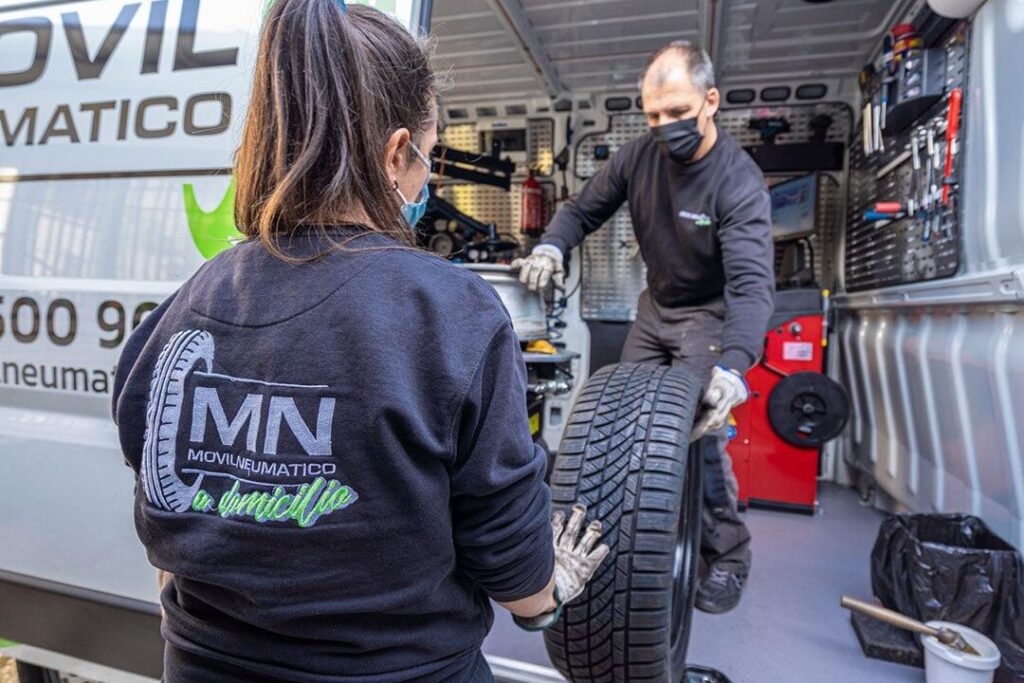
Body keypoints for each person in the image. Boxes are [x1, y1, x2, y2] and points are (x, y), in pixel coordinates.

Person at [111, 2, 607, 681]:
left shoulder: (180, 311)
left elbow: (169, 537)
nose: (427, 177)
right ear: (398, 153)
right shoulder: (454, 315)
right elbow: (515, 571)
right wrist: (550, 594)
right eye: (428, 155)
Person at [514, 40, 774, 615]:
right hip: (654, 311)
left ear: (711, 102)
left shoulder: (738, 181)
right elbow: (582, 209)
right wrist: (552, 246)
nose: (663, 127)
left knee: (703, 440)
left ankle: (728, 557)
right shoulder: (638, 157)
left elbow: (752, 286)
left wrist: (734, 367)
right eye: (653, 115)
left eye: (677, 112)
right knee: (619, 424)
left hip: (708, 317)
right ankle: (612, 544)